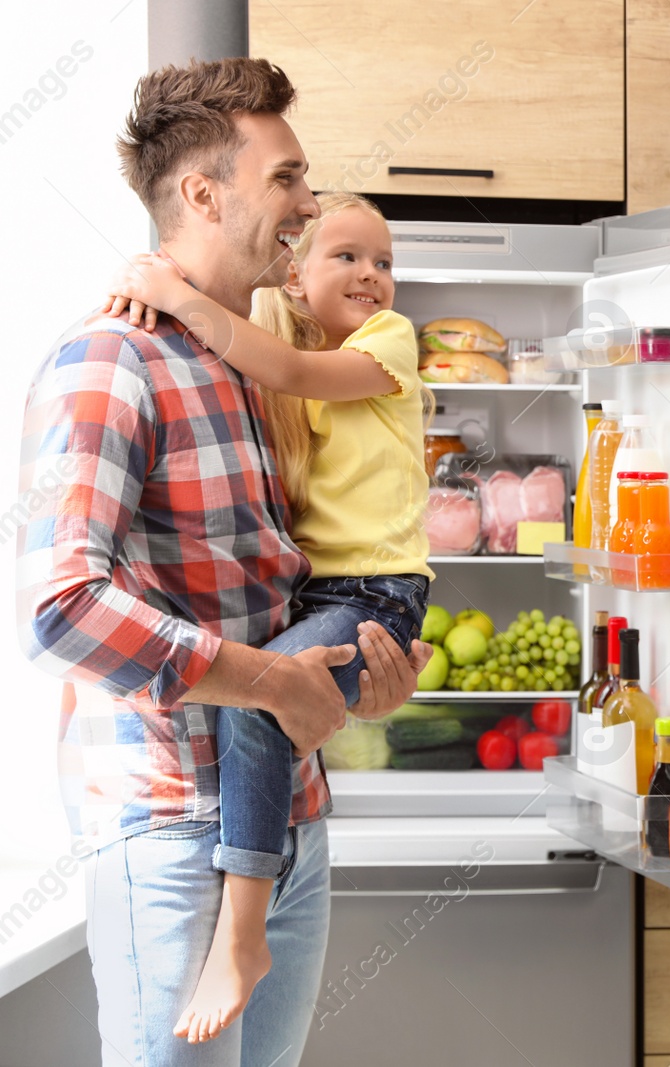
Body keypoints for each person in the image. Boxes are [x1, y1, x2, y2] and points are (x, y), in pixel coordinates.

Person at [16, 58, 430, 1067]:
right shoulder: (109, 360)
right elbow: (60, 605)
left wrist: (356, 682)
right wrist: (276, 682)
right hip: (169, 828)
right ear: (204, 192)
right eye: (286, 177)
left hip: (288, 815)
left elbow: (290, 592)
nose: (309, 200)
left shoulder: (256, 363)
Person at [105, 190, 434, 1044]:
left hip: (376, 592)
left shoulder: (385, 343)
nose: (372, 275)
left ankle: (242, 936)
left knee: (259, 707)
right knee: (266, 709)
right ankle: (246, 926)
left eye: (384, 261)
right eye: (347, 257)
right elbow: (269, 358)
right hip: (327, 596)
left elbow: (285, 369)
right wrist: (160, 286)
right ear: (294, 279)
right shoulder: (276, 357)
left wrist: (180, 296)